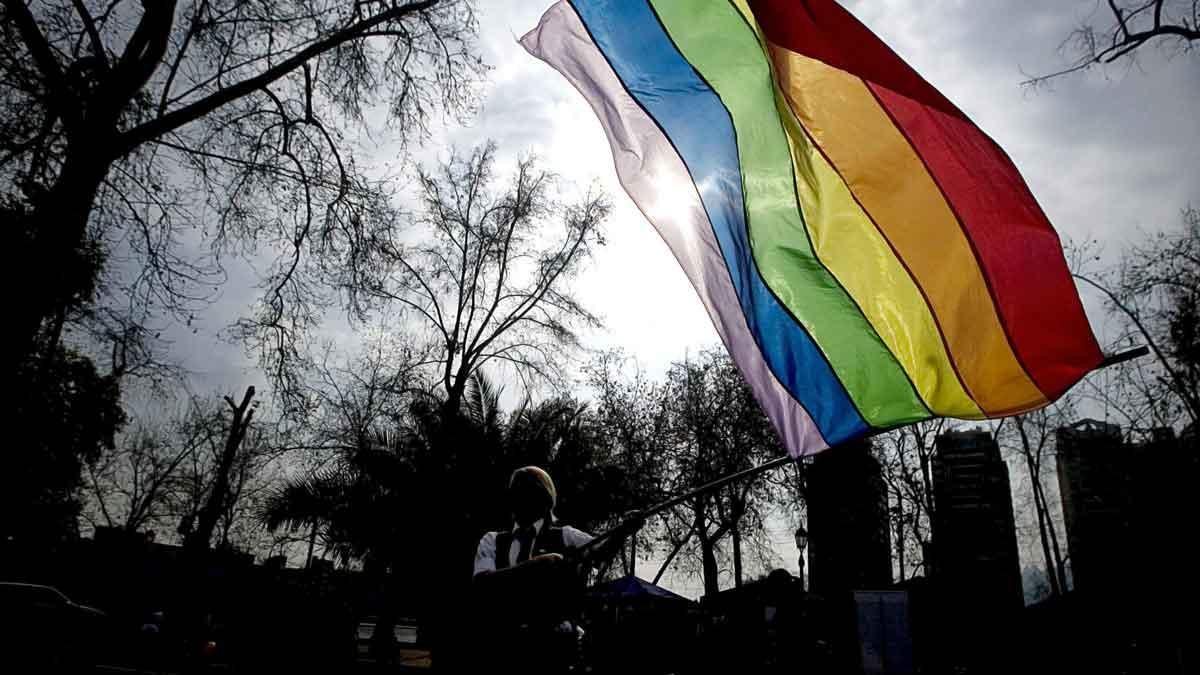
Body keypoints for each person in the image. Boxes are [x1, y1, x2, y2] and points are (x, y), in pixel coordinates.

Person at [472, 466, 638, 674]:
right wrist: (537, 566)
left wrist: (623, 531)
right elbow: (482, 584)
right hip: (504, 648)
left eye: (529, 493)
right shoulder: (493, 540)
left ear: (545, 500)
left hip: (556, 649)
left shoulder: (567, 536)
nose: (521, 500)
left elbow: (601, 551)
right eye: (516, 493)